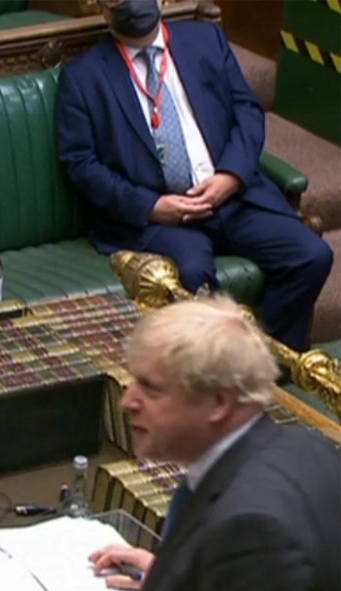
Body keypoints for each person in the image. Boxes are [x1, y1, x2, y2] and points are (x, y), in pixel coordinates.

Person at [56, 0, 333, 352]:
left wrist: (230, 177)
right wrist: (153, 206)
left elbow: (247, 111)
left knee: (311, 255)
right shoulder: (84, 77)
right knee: (191, 278)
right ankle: (208, 384)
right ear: (104, 9)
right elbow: (82, 164)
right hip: (162, 219)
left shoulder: (206, 41)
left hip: (230, 198)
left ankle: (267, 368)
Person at [89, 296, 340, 591]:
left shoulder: (250, 534)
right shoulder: (307, 447)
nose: (128, 401)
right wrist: (176, 578)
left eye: (151, 389)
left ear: (219, 402)